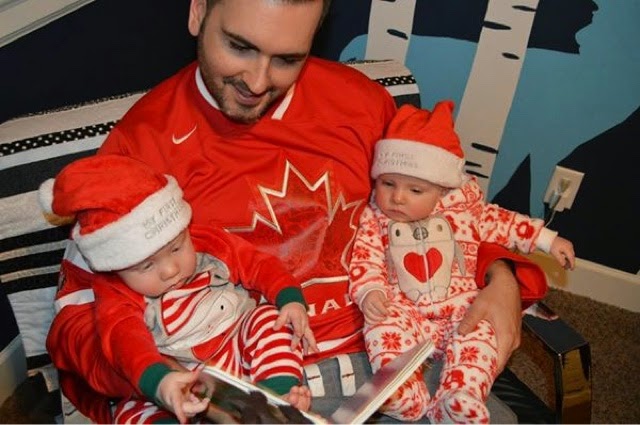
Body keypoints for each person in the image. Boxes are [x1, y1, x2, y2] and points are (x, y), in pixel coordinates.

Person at [45, 0, 549, 422]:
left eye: (287, 59)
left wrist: (501, 278)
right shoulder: (139, 149)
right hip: (250, 377)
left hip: (396, 348)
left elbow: (447, 202)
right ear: (198, 12)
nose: (257, 81)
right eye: (239, 47)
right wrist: (162, 377)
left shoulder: (360, 103)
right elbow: (74, 326)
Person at [40, 155, 317, 422]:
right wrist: (160, 382)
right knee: (130, 412)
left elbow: (257, 264)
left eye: (176, 248)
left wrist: (290, 299)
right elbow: (124, 342)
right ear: (115, 267)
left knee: (271, 318)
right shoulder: (115, 291)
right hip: (180, 379)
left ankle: (277, 402)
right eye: (147, 265)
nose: (170, 269)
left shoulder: (208, 242)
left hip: (239, 353)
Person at [349, 101, 575, 423]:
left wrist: (548, 240)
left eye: (415, 189)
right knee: (381, 326)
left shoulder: (464, 209)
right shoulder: (374, 217)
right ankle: (401, 392)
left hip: (462, 308)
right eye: (388, 183)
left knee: (482, 335)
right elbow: (364, 257)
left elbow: (504, 223)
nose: (397, 197)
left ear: (442, 189)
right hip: (405, 310)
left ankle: (458, 397)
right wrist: (369, 291)